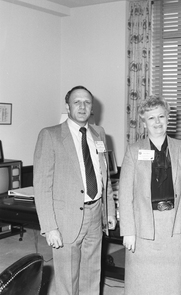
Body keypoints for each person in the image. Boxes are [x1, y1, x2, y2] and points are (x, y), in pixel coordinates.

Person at [33, 85, 117, 295]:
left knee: (92, 274)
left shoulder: (99, 133)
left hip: (96, 214)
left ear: (92, 108)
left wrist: (110, 211)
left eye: (87, 102)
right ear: (67, 106)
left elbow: (103, 176)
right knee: (67, 279)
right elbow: (42, 187)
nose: (82, 106)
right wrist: (49, 227)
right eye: (77, 102)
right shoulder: (50, 135)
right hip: (65, 218)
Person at [118, 96, 181, 295]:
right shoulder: (133, 151)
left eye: (161, 116)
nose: (157, 122)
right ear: (144, 122)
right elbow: (125, 193)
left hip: (175, 224)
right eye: (151, 118)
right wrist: (128, 230)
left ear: (168, 118)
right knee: (142, 282)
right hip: (143, 223)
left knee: (171, 282)